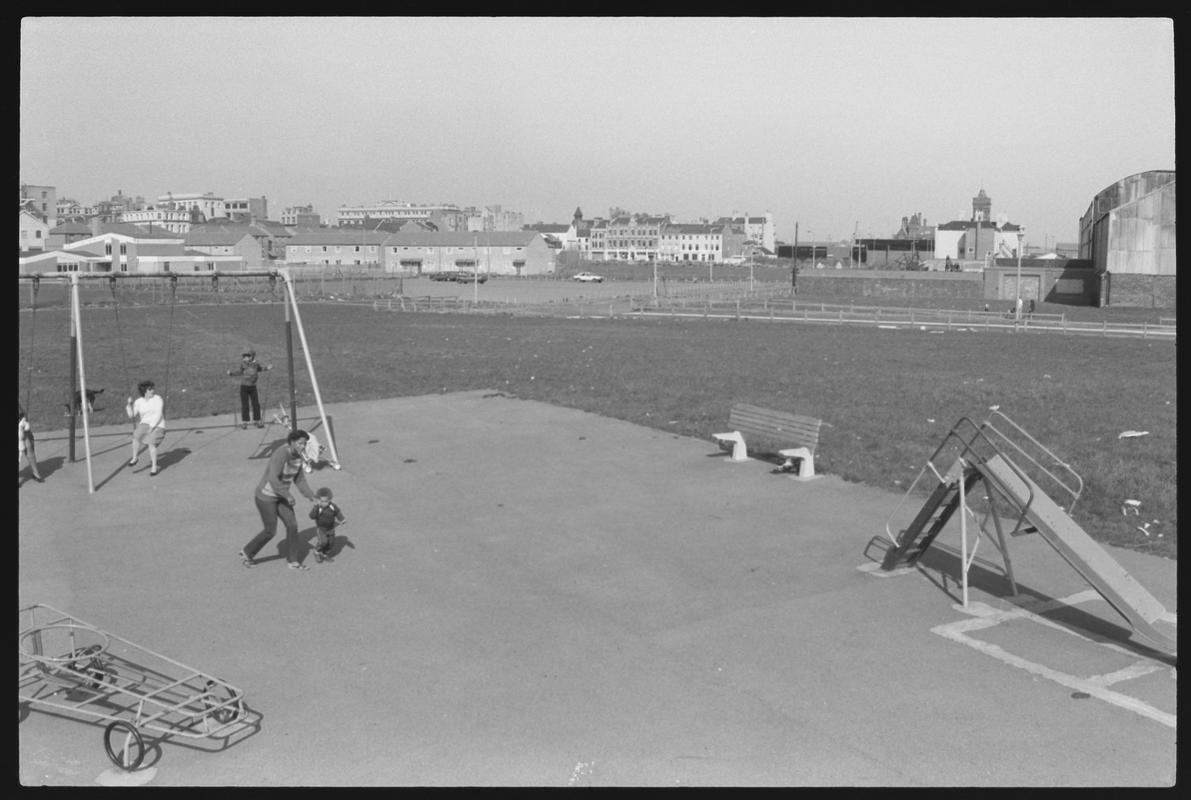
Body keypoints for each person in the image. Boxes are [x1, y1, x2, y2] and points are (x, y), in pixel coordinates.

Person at [240, 428, 318, 571]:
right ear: (292, 442)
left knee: (292, 526)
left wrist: (310, 495)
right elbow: (273, 478)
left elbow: (299, 479)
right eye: (300, 443)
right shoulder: (281, 453)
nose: (303, 446)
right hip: (266, 497)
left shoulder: (299, 457)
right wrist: (288, 495)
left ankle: (293, 561)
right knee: (270, 531)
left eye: (305, 444)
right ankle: (247, 553)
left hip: (281, 496)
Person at [126, 380, 165, 476]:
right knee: (136, 436)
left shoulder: (157, 399)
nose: (153, 391)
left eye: (152, 388)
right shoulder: (138, 401)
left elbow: (158, 414)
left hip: (158, 425)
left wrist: (152, 427)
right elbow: (132, 415)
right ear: (144, 391)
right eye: (150, 389)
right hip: (145, 424)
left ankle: (154, 467)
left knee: (151, 443)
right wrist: (128, 405)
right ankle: (135, 458)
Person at [227, 350, 272, 429]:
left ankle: (257, 420)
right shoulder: (243, 364)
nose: (245, 358)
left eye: (247, 356)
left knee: (256, 404)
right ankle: (245, 422)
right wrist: (231, 373)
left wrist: (267, 368)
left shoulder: (256, 364)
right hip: (244, 387)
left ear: (252, 357)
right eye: (244, 357)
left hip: (253, 387)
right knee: (245, 405)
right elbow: (239, 372)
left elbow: (259, 369)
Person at [309, 487, 346, 563]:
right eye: (322, 501)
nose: (324, 503)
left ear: (330, 500)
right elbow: (312, 516)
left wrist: (342, 519)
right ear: (318, 500)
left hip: (331, 528)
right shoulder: (318, 508)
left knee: (331, 543)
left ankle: (324, 553)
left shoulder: (332, 506)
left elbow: (337, 513)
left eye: (326, 501)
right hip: (321, 529)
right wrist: (316, 507)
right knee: (323, 542)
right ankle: (317, 552)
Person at [19, 404, 44, 485]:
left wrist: (24, 417)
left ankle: (36, 473)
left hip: (20, 419)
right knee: (27, 445)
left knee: (28, 445)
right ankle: (36, 474)